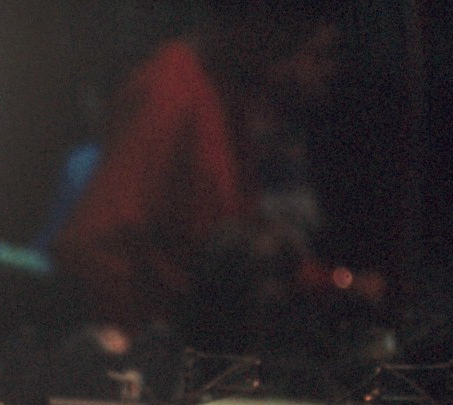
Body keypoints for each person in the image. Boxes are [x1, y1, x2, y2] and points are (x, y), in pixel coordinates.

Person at [53, 0, 385, 360]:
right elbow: (95, 244)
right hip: (163, 360)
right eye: (290, 28)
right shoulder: (171, 89)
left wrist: (335, 282)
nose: (293, 45)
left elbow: (234, 249)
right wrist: (149, 356)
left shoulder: (225, 99)